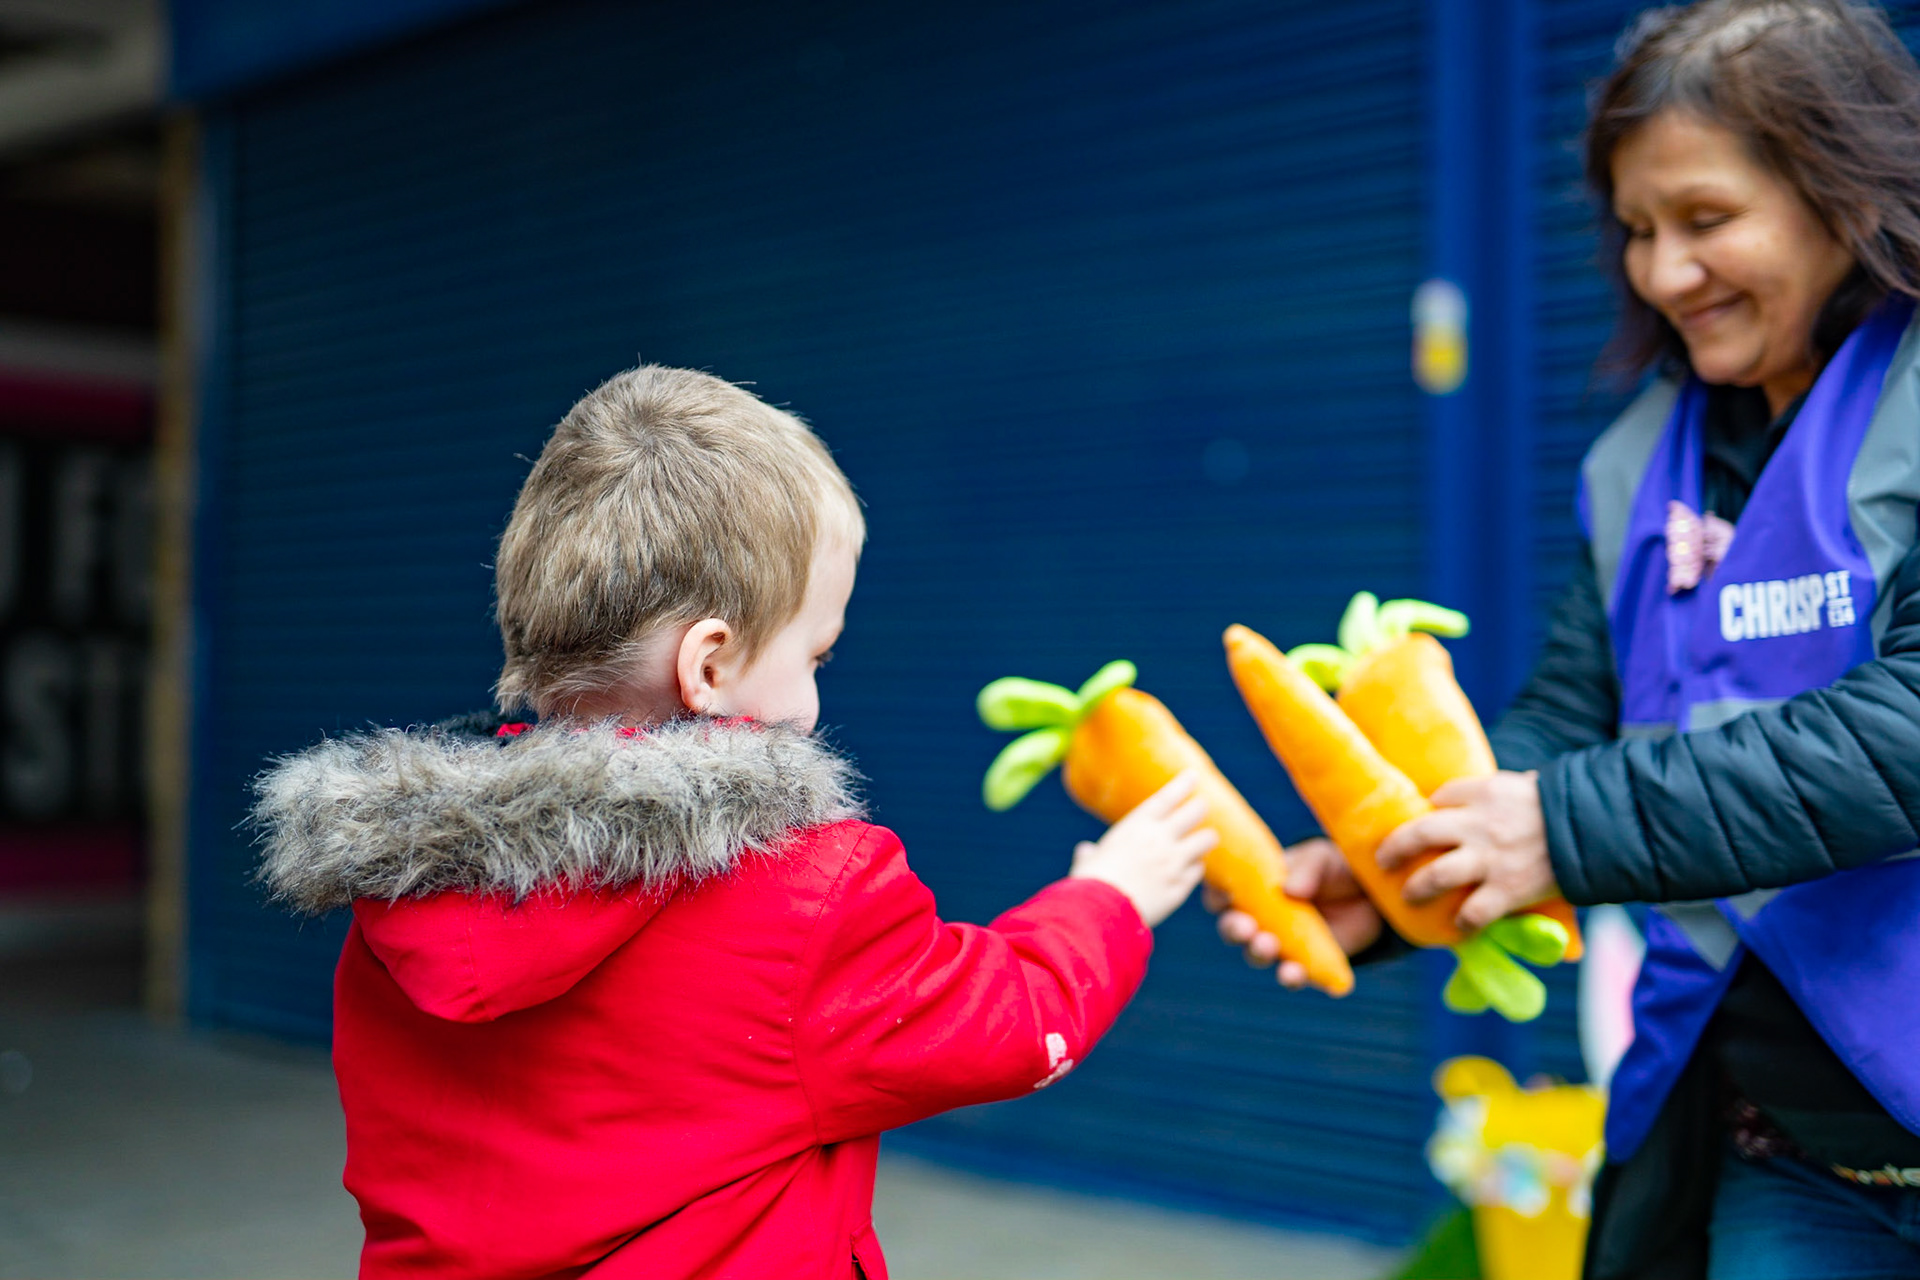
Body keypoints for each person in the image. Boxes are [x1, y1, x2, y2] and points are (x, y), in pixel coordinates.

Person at [1219, 3, 1920, 1276]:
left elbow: (1906, 728)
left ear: (1850, 189)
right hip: (1781, 1162)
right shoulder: (1642, 458)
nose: (1663, 273)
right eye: (1639, 229)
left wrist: (1556, 823)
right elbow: (1567, 720)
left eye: (1707, 218)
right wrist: (1416, 865)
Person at [251, 366, 1216, 1279]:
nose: (817, 700)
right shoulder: (805, 896)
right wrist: (1111, 894)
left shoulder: (404, 893)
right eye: (816, 657)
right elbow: (1014, 1020)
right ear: (708, 667)